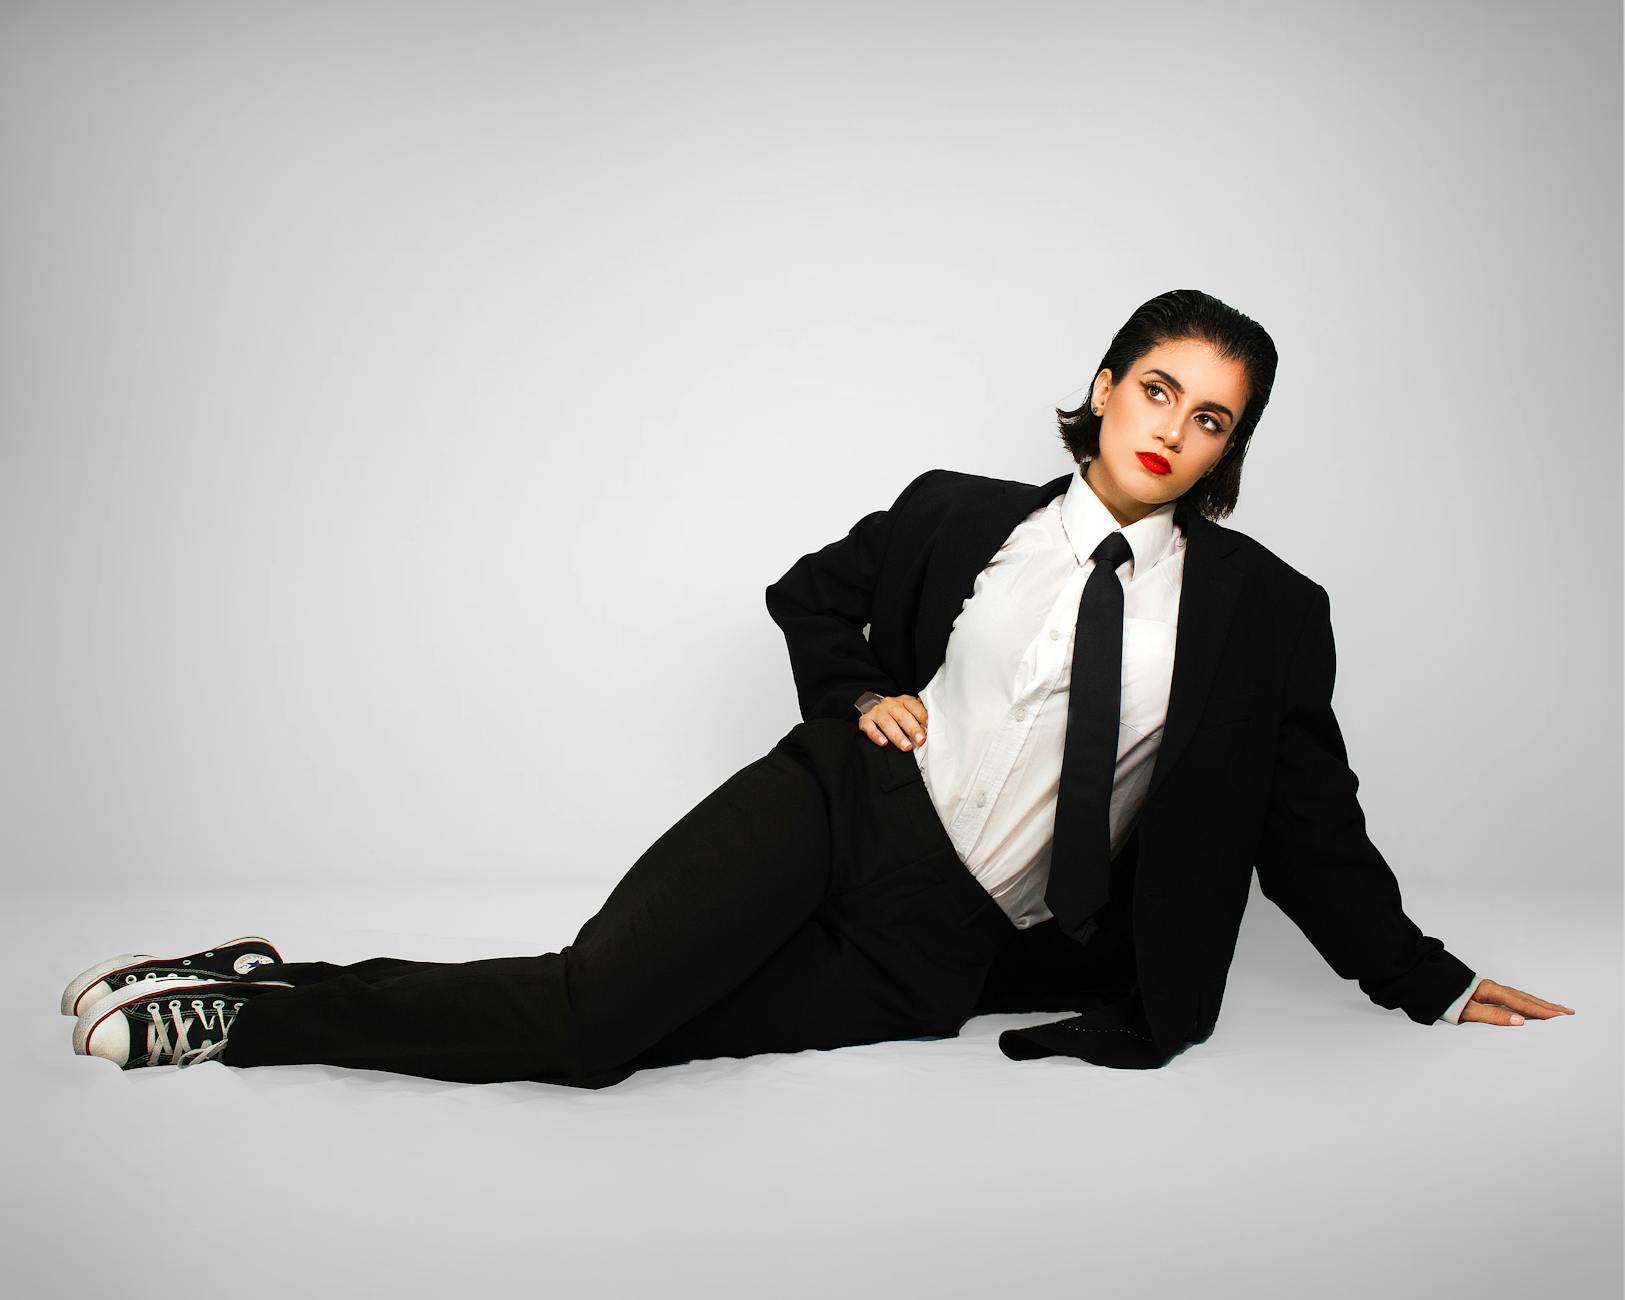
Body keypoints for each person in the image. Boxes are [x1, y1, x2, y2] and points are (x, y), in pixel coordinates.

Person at [62, 288, 1575, 1081]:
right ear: (1105, 386)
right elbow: (812, 595)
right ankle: (252, 1016)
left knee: (629, 1042)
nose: (1176, 427)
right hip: (843, 809)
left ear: (1233, 449)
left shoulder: (1262, 614)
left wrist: (1422, 980)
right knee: (597, 1014)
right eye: (1158, 388)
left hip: (943, 942)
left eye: (1214, 417)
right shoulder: (954, 514)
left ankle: (256, 985)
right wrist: (855, 695)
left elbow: (1307, 826)